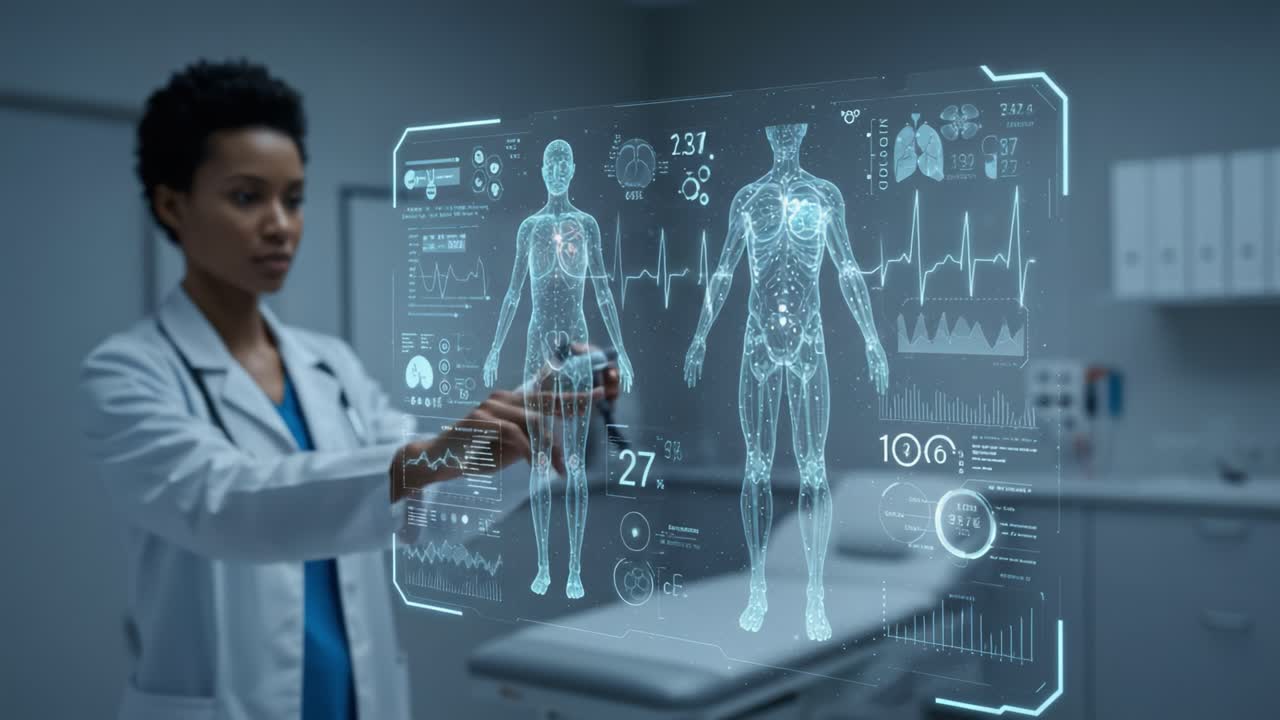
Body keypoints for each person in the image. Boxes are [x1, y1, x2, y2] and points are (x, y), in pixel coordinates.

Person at [79, 59, 616, 720]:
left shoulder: (329, 368)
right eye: (248, 197)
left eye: (294, 199)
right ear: (172, 204)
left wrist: (535, 419)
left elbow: (427, 511)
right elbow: (224, 507)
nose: (280, 225)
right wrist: (427, 458)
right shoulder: (128, 373)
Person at [683, 123, 888, 642]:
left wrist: (871, 339)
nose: (785, 133)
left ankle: (815, 596)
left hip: (809, 339)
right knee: (756, 465)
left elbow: (846, 268)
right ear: (770, 133)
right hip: (756, 341)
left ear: (800, 133)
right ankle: (759, 588)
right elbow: (725, 271)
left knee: (814, 467)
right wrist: (701, 336)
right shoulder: (748, 199)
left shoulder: (824, 196)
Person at [483, 139, 634, 598]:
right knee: (539, 461)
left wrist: (619, 352)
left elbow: (604, 292)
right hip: (537, 347)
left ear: (572, 169)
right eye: (550, 162)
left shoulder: (586, 225)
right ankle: (546, 567)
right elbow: (512, 293)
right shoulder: (528, 228)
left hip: (575, 343)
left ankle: (573, 571)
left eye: (564, 162)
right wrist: (493, 350)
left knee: (573, 461)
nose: (557, 170)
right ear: (542, 169)